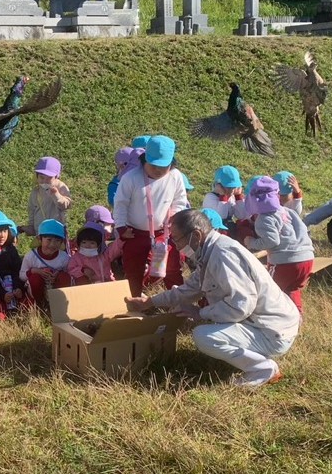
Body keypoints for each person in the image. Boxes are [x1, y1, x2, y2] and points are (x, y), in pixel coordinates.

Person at [127, 210, 300, 387]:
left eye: (177, 239)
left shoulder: (223, 255)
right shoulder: (210, 252)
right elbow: (189, 289)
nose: (176, 246)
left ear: (196, 235)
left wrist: (200, 313)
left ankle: (263, 369)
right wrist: (150, 302)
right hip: (268, 325)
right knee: (211, 327)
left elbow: (241, 306)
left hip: (272, 331)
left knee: (204, 336)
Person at [112, 135, 189, 296]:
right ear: (144, 159)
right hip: (134, 233)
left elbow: (180, 200)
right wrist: (120, 227)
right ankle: (134, 302)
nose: (158, 170)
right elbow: (120, 203)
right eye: (153, 165)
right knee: (134, 270)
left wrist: (174, 218)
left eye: (163, 166)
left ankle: (179, 301)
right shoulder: (131, 178)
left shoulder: (175, 176)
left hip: (164, 233)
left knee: (172, 267)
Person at [242, 177, 315, 314]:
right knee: (292, 289)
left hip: (286, 262)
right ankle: (297, 315)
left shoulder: (264, 219)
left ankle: (271, 319)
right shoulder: (287, 211)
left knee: (270, 291)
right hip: (307, 259)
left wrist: (251, 242)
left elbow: (272, 241)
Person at [20, 219, 71, 306]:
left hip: (55, 287)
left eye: (57, 241)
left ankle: (59, 303)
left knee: (64, 277)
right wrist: (34, 271)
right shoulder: (31, 256)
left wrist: (58, 274)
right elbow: (22, 276)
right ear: (39, 239)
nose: (52, 244)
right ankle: (39, 303)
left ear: (62, 242)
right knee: (35, 279)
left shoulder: (64, 257)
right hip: (37, 289)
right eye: (49, 240)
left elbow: (69, 273)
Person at [22, 157, 73, 236]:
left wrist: (57, 196)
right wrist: (31, 225)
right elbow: (32, 209)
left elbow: (67, 205)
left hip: (57, 228)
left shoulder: (61, 187)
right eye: (41, 177)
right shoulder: (36, 191)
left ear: (56, 177)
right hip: (40, 229)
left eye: (49, 178)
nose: (44, 181)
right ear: (37, 176)